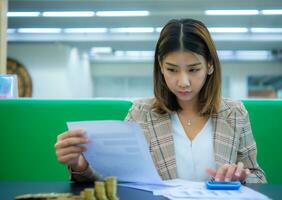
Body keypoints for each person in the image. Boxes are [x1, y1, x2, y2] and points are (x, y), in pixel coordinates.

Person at [54, 18, 267, 183]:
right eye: (172, 70)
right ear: (161, 66)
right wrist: (80, 165)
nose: (183, 82)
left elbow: (258, 176)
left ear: (210, 65)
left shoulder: (235, 113)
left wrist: (241, 178)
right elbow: (116, 179)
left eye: (193, 69)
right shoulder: (141, 114)